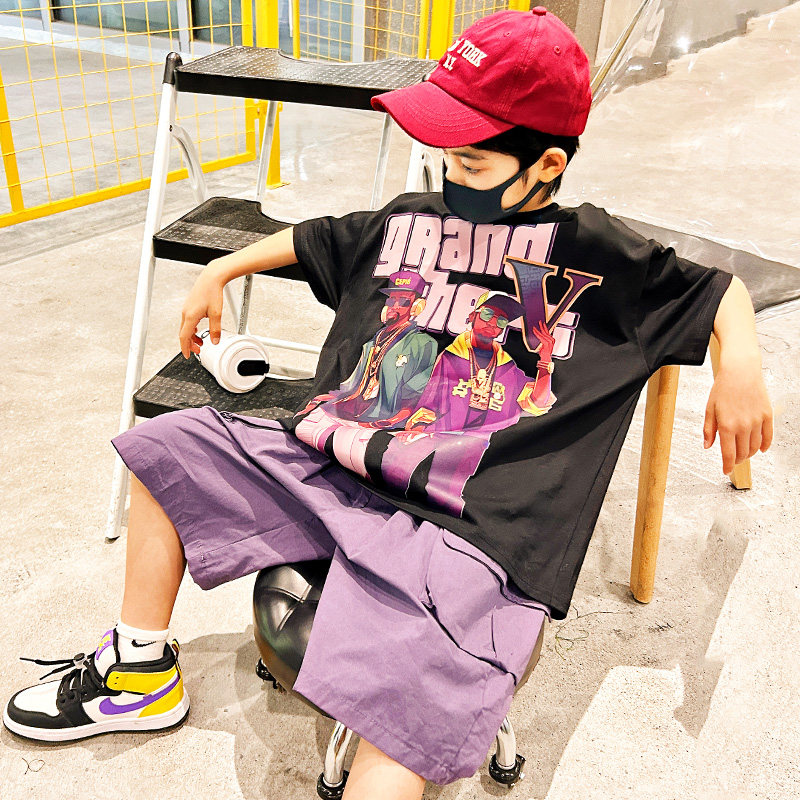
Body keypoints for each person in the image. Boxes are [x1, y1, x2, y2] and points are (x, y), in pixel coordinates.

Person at [4, 8, 773, 799]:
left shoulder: (597, 253)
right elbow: (317, 236)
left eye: (471, 162)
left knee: (401, 722)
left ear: (546, 165)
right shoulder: (412, 220)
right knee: (170, 451)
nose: (449, 176)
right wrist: (220, 269)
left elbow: (721, 289)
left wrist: (740, 364)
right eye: (442, 155)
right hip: (329, 467)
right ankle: (139, 672)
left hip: (465, 530)